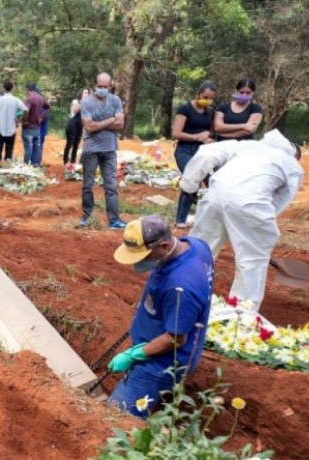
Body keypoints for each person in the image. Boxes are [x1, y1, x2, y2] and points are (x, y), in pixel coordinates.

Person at [181, 130, 303, 311]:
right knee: (252, 262)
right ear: (294, 155)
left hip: (215, 195)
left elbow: (206, 153)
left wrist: (189, 184)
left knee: (200, 247)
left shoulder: (248, 145)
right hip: (251, 205)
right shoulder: (293, 166)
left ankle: (180, 294)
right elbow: (279, 202)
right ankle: (240, 317)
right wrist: (248, 226)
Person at [109, 214, 214, 417]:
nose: (138, 263)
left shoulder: (181, 286)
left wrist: (134, 355)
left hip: (161, 362)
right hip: (153, 342)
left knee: (116, 419)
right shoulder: (194, 244)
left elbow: (175, 338)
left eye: (143, 256)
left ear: (164, 246)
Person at [79, 73, 126, 229]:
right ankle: (87, 216)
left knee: (111, 186)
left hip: (110, 148)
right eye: (100, 86)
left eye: (105, 87)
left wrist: (99, 123)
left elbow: (120, 125)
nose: (102, 89)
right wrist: (111, 119)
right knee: (88, 184)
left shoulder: (115, 100)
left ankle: (114, 220)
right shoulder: (86, 102)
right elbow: (89, 127)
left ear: (110, 86)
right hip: (91, 149)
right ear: (94, 85)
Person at [172, 81, 217, 229]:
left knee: (213, 180)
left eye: (211, 98)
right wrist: (196, 137)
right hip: (185, 150)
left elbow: (209, 131)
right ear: (198, 94)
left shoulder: (209, 112)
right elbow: (176, 133)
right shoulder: (185, 109)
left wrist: (208, 138)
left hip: (202, 151)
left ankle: (208, 215)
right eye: (205, 97)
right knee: (191, 180)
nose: (207, 100)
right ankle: (181, 219)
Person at [0, 80, 27, 163]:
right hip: (11, 128)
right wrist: (19, 120)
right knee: (9, 148)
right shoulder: (16, 100)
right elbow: (26, 110)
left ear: (3, 88)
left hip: (0, 128)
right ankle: (8, 165)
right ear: (12, 88)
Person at [22, 83, 50, 167]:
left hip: (29, 127)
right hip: (37, 127)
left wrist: (25, 121)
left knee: (28, 147)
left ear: (27, 89)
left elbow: (26, 111)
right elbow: (48, 107)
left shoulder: (29, 98)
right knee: (37, 146)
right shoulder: (41, 97)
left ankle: (26, 166)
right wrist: (41, 116)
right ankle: (35, 165)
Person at [63, 89, 89, 172]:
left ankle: (73, 162)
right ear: (81, 93)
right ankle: (66, 161)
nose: (87, 94)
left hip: (80, 125)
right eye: (85, 92)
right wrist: (83, 104)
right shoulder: (76, 101)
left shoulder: (88, 103)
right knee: (70, 143)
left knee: (76, 144)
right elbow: (75, 110)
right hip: (72, 124)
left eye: (88, 93)